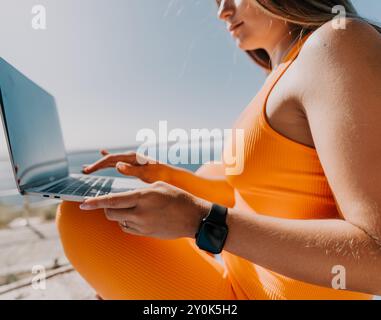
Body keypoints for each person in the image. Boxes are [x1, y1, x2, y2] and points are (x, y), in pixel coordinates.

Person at [56, 0, 381, 299]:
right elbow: (245, 197)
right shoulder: (280, 73)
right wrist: (161, 174)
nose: (222, 11)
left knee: (84, 214)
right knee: (205, 172)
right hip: (237, 273)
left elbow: (376, 257)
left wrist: (202, 223)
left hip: (253, 294)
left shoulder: (337, 42)